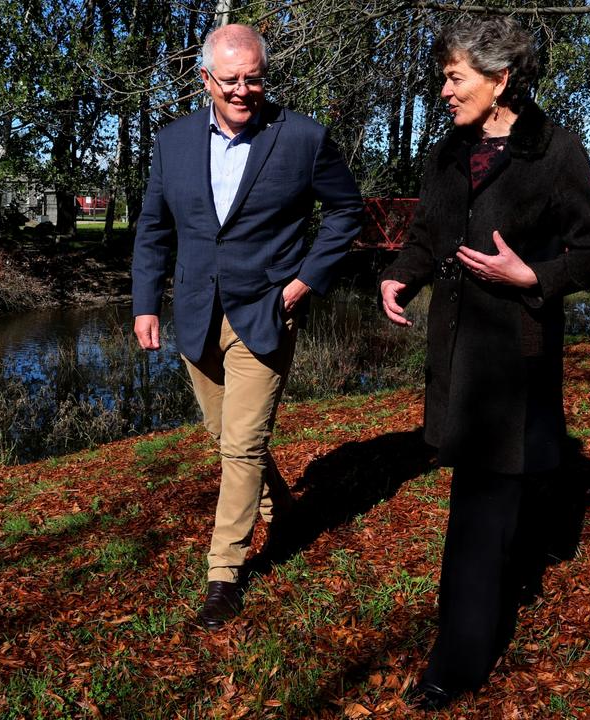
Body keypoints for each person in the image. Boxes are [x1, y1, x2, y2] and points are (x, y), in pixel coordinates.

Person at [378, 17, 590, 710]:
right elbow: (429, 232)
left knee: (479, 510)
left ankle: (458, 661)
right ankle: (473, 619)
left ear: (500, 79)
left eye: (455, 79)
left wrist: (529, 275)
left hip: (513, 362)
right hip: (455, 360)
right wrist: (402, 275)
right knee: (479, 501)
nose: (444, 92)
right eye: (444, 79)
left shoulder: (555, 152)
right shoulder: (449, 151)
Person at [131, 23, 363, 629]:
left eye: (253, 78)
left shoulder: (303, 138)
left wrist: (303, 281)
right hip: (196, 316)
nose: (242, 90)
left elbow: (347, 211)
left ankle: (223, 575)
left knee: (240, 447)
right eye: (229, 79)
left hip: (266, 312)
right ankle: (281, 504)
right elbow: (154, 228)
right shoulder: (172, 143)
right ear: (205, 79)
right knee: (225, 433)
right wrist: (145, 304)